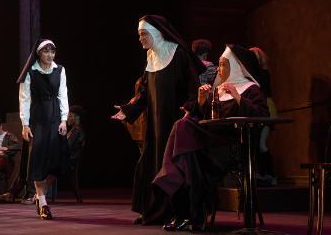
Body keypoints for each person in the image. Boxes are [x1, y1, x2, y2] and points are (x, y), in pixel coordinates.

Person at [149, 45, 269, 231]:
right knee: (187, 153)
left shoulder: (250, 89)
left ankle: (187, 213)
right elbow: (204, 117)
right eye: (219, 65)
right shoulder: (217, 89)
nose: (218, 70)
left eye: (223, 65)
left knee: (183, 143)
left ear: (236, 67)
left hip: (229, 148)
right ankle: (191, 215)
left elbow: (262, 116)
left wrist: (238, 98)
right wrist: (201, 101)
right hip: (205, 145)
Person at [111, 14, 206, 224]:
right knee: (152, 164)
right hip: (154, 125)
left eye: (143, 34)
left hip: (176, 123)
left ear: (156, 33)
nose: (140, 39)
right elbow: (144, 93)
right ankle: (156, 212)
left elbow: (194, 87)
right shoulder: (152, 57)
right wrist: (128, 110)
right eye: (139, 35)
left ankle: (178, 213)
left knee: (173, 167)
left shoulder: (179, 54)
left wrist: (191, 107)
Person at [17, 38, 69, 220]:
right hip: (38, 118)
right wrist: (25, 123)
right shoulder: (31, 72)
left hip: (55, 118)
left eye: (52, 51)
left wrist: (64, 120)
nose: (49, 55)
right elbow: (24, 99)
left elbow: (63, 94)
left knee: (55, 163)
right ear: (38, 53)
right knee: (38, 161)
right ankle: (43, 201)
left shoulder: (60, 70)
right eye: (46, 51)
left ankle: (40, 196)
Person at [249, 47, 278, 186]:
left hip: (267, 110)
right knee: (257, 144)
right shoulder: (257, 74)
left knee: (261, 144)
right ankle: (263, 174)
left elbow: (262, 91)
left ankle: (271, 175)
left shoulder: (262, 74)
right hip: (261, 110)